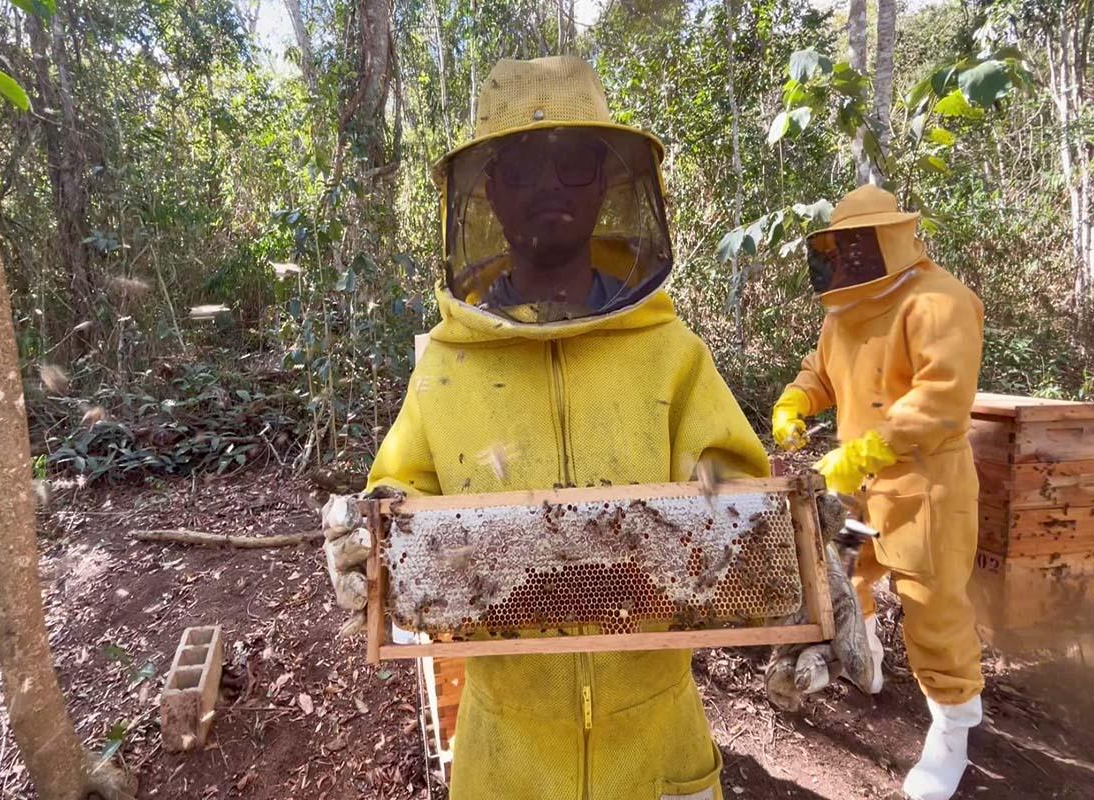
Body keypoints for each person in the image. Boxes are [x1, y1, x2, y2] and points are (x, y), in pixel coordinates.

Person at [324, 55, 770, 800]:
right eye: (524, 171)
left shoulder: (671, 352)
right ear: (489, 191)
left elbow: (732, 479)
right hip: (508, 752)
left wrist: (733, 514)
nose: (550, 190)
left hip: (656, 739)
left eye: (573, 166)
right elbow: (401, 487)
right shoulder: (446, 365)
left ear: (607, 183)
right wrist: (369, 533)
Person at [772, 184, 985, 800]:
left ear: (889, 240)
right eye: (839, 250)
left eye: (857, 249)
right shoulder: (842, 313)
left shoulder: (941, 302)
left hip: (925, 490)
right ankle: (863, 656)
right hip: (857, 490)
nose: (848, 261)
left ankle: (952, 734)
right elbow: (822, 373)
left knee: (931, 606)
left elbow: (941, 400)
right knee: (848, 574)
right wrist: (796, 402)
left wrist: (867, 449)